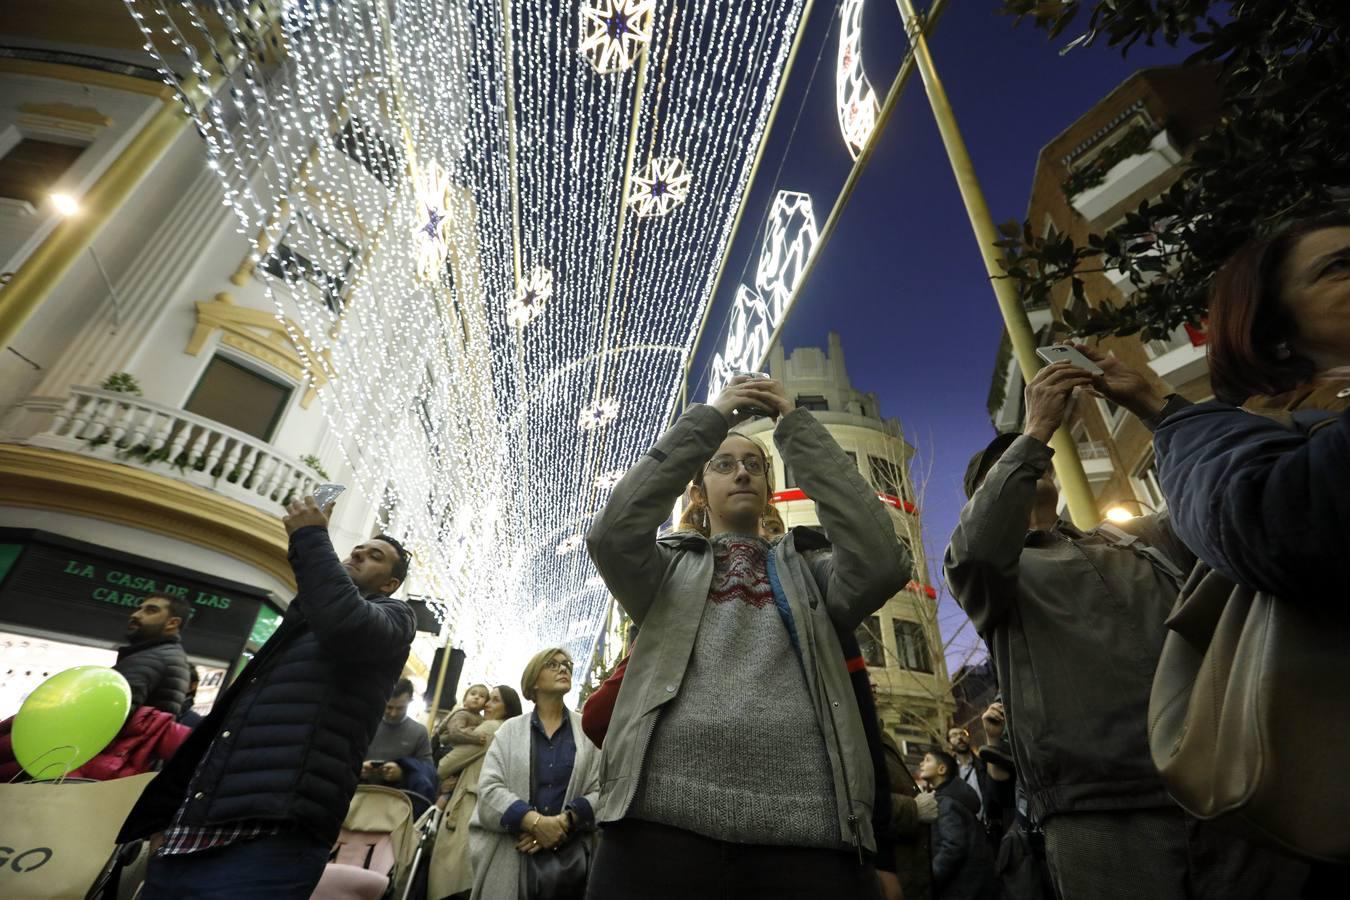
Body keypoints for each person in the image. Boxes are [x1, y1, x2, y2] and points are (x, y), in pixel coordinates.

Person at [946, 352, 1307, 900]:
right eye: (1010, 465)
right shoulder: (996, 579)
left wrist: (1152, 403)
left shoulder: (1137, 539)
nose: (1035, 463)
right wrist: (1037, 426)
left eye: (1035, 456)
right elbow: (972, 553)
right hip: (1101, 812)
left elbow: (1229, 506)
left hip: (1225, 784)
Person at [584, 375, 910, 899]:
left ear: (768, 488)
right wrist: (709, 419)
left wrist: (796, 427)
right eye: (724, 463)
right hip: (657, 830)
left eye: (754, 466)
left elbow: (883, 562)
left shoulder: (814, 574)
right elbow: (611, 534)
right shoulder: (664, 570)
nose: (741, 473)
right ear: (698, 490)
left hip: (807, 839)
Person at [116, 497, 416, 900]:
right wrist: (168, 816)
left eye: (374, 556)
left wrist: (311, 537)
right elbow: (231, 722)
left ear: (389, 584)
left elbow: (346, 624)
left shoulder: (394, 618)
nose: (358, 553)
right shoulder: (301, 626)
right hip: (189, 834)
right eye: (356, 549)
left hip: (270, 837)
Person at [1154, 212, 1350, 598]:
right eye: (1339, 266)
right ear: (1274, 326)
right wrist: (1157, 408)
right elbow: (1262, 520)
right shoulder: (1261, 424)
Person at [469, 648, 602, 900]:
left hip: (571, 866)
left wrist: (563, 823)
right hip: (513, 854)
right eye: (552, 664)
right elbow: (489, 789)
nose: (563, 669)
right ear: (533, 681)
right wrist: (535, 823)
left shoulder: (586, 731)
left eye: (567, 665)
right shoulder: (509, 730)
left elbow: (602, 790)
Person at [428, 685, 523, 900]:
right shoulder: (513, 734)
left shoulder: (490, 729)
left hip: (465, 810)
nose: (486, 704)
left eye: (494, 700)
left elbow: (444, 766)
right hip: (487, 813)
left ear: (507, 708)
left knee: (450, 879)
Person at [920, 750, 995, 900]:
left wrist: (930, 878)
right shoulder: (954, 797)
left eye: (927, 760)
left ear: (941, 769)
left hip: (960, 887)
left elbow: (953, 845)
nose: (922, 764)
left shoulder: (945, 802)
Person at [363, 677, 437, 813]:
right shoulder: (365, 722)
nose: (393, 713)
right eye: (389, 707)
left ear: (410, 701)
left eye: (400, 708)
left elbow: (429, 771)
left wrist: (403, 773)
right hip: (359, 795)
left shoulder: (419, 732)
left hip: (395, 804)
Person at [115, 593, 192, 715]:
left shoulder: (150, 659)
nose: (135, 615)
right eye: (139, 609)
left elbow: (113, 713)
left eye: (151, 611)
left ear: (172, 623)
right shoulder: (169, 654)